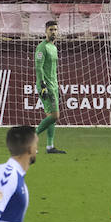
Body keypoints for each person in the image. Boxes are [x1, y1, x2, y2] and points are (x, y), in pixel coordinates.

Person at [34, 19, 66, 154]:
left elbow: (53, 70)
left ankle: (49, 146)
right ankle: (31, 137)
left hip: (53, 86)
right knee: (54, 116)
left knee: (51, 117)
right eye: (51, 30)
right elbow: (39, 68)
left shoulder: (54, 47)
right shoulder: (42, 47)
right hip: (45, 86)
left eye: (55, 29)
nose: (53, 32)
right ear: (46, 31)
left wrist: (56, 87)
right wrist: (43, 86)